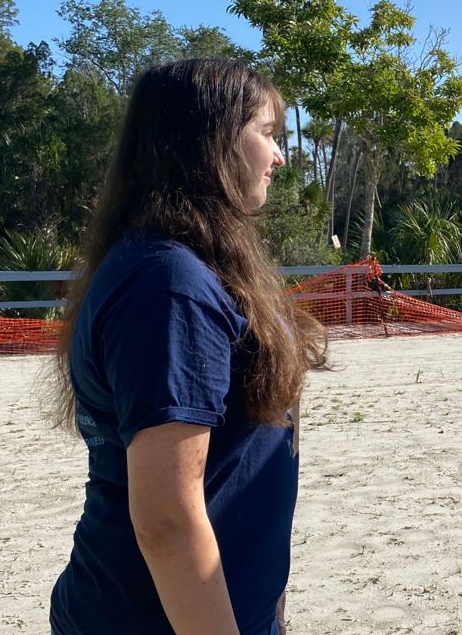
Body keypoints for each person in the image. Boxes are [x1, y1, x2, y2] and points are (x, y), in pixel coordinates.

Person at [46, 59, 326, 635]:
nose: (278, 158)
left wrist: (267, 600)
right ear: (214, 141)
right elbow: (167, 520)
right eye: (267, 134)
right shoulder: (167, 284)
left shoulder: (193, 264)